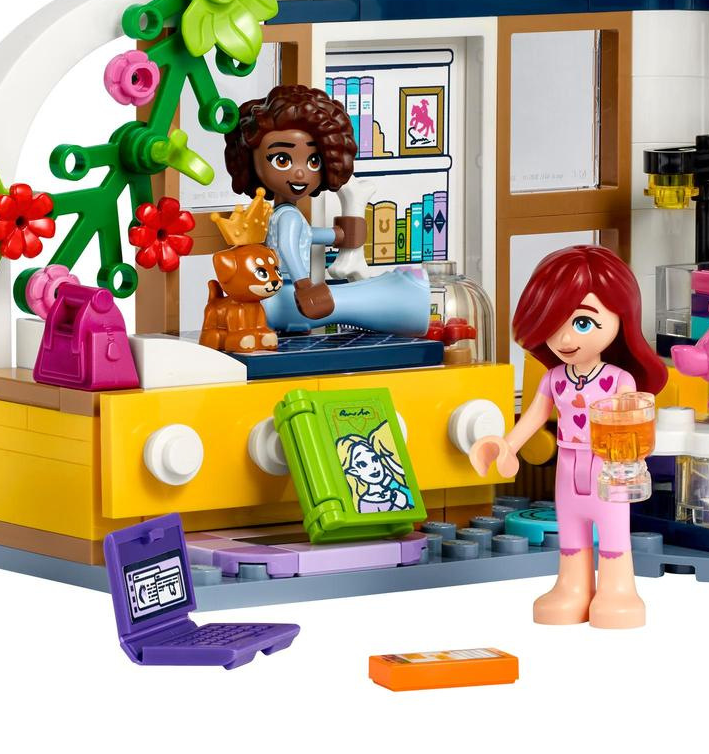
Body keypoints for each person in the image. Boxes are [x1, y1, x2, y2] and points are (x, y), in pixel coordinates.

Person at [469, 245, 666, 628]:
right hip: (568, 462)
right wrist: (506, 446)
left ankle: (618, 589)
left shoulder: (619, 380)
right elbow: (534, 416)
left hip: (607, 465)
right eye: (553, 323)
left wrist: (632, 448)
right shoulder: (554, 378)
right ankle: (572, 587)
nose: (564, 337)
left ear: (620, 318)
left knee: (612, 529)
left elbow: (635, 422)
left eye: (582, 322)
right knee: (571, 528)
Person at [223, 84, 429, 335]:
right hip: (289, 295)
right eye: (282, 160)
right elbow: (287, 247)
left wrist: (339, 235)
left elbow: (306, 235)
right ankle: (407, 299)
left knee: (355, 298)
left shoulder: (283, 215)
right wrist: (304, 285)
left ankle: (405, 295)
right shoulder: (286, 216)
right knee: (353, 301)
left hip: (284, 295)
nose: (300, 173)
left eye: (313, 160)